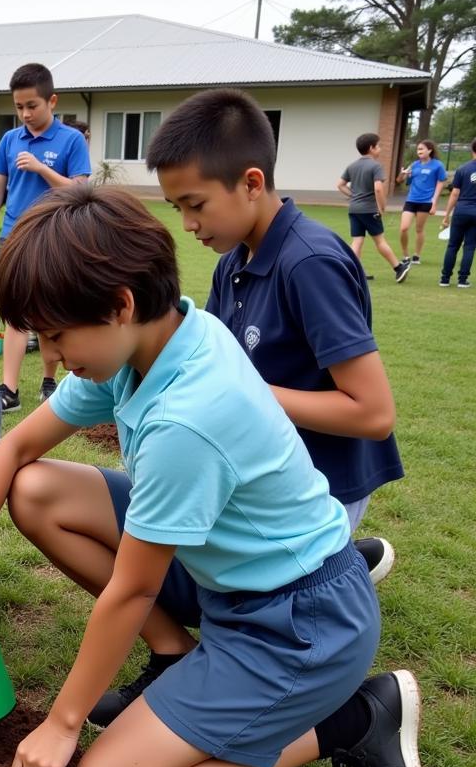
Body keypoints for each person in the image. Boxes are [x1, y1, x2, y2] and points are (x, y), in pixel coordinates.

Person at [0, 185, 423, 767]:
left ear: (119, 305)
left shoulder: (186, 420)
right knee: (37, 489)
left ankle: (354, 720)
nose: (51, 354)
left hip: (299, 628)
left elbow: (130, 590)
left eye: (56, 335)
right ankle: (176, 656)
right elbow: (15, 446)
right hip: (231, 576)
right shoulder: (157, 337)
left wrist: (63, 723)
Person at [74, 87, 402, 726]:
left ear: (252, 182)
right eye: (176, 208)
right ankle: (194, 648)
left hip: (323, 477)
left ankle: (338, 597)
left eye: (195, 205)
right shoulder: (236, 260)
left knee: (251, 587)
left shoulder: (309, 261)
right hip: (254, 468)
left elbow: (373, 412)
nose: (188, 225)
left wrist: (250, 398)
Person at [0, 63, 91, 412]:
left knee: (50, 313)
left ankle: (49, 379)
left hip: (55, 237)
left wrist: (42, 168)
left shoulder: (70, 139)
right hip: (14, 237)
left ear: (52, 101)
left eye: (32, 106)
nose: (25, 113)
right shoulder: (10, 140)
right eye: (19, 106)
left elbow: (81, 189)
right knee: (13, 314)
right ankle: (8, 390)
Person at [337, 134, 411, 283]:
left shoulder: (352, 165)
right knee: (380, 241)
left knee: (357, 241)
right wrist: (382, 207)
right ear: (371, 148)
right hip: (369, 209)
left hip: (354, 209)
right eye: (378, 146)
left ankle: (354, 272)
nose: (380, 149)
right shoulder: (376, 166)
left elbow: (340, 185)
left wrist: (354, 196)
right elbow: (378, 189)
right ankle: (398, 268)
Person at [396, 140, 447, 265]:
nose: (419, 151)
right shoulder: (414, 165)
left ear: (429, 150)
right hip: (411, 200)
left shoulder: (438, 165)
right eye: (418, 149)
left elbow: (441, 183)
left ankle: (416, 256)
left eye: (422, 149)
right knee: (403, 228)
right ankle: (405, 256)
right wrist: (403, 174)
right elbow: (399, 180)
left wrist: (434, 203)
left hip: (426, 202)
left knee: (419, 229)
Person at [439, 138, 476, 289]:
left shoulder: (463, 169)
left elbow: (455, 193)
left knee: (453, 245)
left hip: (461, 211)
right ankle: (462, 280)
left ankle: (445, 278)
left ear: (472, 149)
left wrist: (447, 215)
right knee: (470, 246)